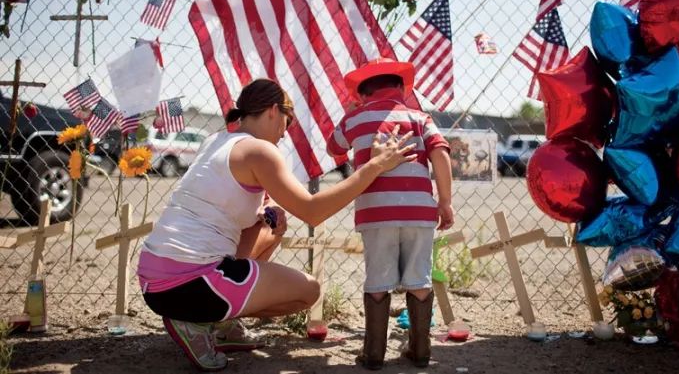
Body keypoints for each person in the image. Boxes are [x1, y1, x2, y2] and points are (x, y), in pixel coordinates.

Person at [137, 78, 417, 372]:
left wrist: (265, 208)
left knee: (268, 231)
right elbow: (313, 211)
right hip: (192, 284)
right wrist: (374, 167)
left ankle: (220, 323)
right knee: (308, 292)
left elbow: (222, 201)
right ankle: (200, 322)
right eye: (288, 121)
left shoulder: (216, 140)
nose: (286, 132)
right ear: (273, 110)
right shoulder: (260, 151)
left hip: (153, 281)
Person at [326, 58, 454, 370]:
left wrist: (354, 115)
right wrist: (445, 202)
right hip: (419, 212)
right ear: (399, 87)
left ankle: (373, 355)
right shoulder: (420, 118)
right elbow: (440, 154)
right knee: (419, 277)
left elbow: (334, 148)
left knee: (378, 279)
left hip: (375, 213)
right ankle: (421, 351)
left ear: (363, 93)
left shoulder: (356, 118)